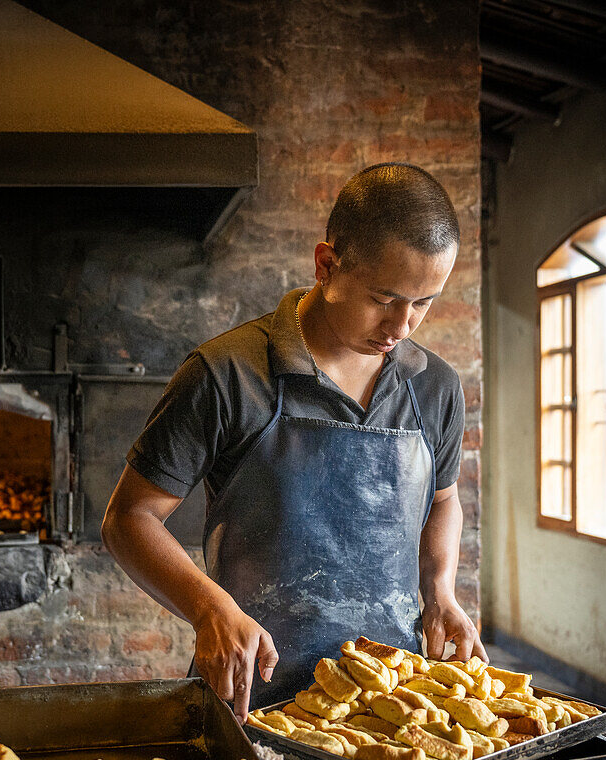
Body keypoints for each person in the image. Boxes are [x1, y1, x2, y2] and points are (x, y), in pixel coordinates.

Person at [101, 162, 487, 722]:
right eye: (384, 297)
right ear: (327, 265)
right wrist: (209, 609)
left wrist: (441, 593)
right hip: (256, 696)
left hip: (392, 702)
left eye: (423, 302)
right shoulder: (227, 373)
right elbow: (128, 518)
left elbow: (444, 500)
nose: (403, 325)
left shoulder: (435, 386)